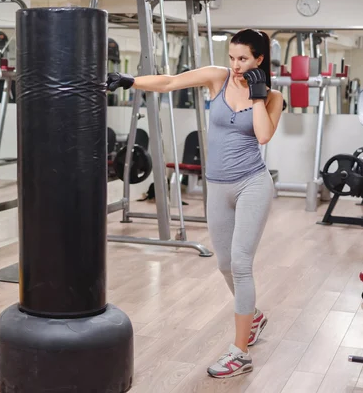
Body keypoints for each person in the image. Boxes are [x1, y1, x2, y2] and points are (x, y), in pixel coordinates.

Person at [107, 28, 283, 379]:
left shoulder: (273, 97)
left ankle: (240, 352)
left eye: (243, 59)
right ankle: (255, 317)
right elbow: (170, 82)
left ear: (259, 60)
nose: (235, 65)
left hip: (252, 183)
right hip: (216, 187)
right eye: (232, 57)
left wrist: (258, 95)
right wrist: (129, 81)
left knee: (241, 262)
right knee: (223, 264)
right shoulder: (217, 78)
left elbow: (263, 135)